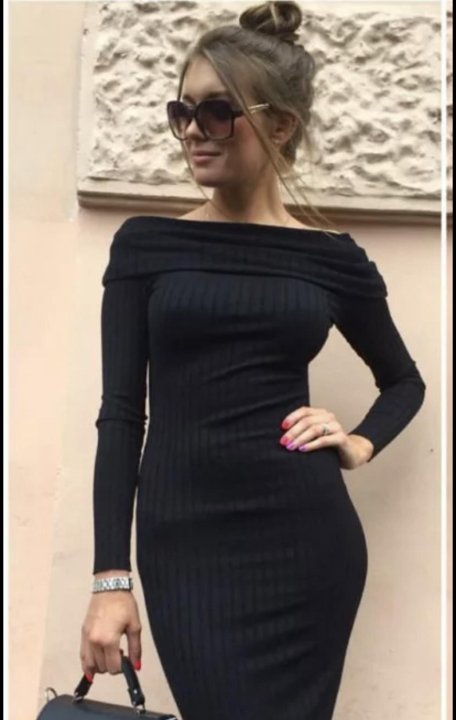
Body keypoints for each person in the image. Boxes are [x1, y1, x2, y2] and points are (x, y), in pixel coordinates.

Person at [80, 2, 426, 718]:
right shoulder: (146, 246)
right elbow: (121, 415)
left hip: (306, 543)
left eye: (216, 112)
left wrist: (358, 442)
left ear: (281, 126)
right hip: (186, 546)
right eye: (182, 112)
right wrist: (111, 578)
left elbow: (404, 381)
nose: (192, 132)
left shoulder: (332, 260)